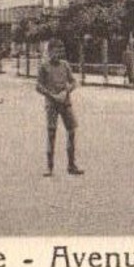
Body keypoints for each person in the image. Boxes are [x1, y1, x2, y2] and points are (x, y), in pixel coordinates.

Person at [36, 40, 83, 176]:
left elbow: (73, 81)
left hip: (65, 102)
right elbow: (38, 86)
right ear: (49, 51)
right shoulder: (44, 66)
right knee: (51, 133)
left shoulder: (65, 65)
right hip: (51, 104)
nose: (58, 54)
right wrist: (52, 95)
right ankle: (49, 167)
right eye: (55, 51)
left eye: (60, 51)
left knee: (72, 131)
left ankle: (71, 165)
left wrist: (66, 90)